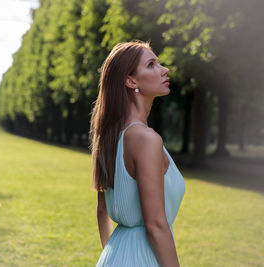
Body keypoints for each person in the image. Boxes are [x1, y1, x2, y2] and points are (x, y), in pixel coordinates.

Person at [90, 40, 185, 266]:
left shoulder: (110, 137)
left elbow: (102, 210)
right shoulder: (146, 139)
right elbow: (156, 225)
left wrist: (116, 257)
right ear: (131, 80)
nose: (164, 70)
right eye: (152, 64)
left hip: (114, 256)